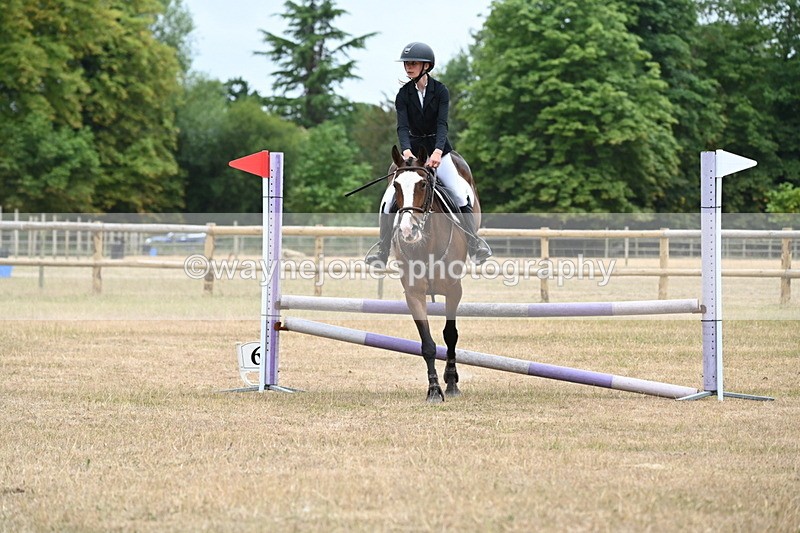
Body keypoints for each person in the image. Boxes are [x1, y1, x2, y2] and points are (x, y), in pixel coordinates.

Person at [365, 42, 492, 267]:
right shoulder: (403, 95)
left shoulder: (440, 91)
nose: (408, 67)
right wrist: (406, 152)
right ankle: (383, 250)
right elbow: (402, 127)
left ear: (426, 66)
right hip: (410, 155)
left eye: (413, 63)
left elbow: (442, 125)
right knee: (387, 202)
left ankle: (474, 245)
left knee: (461, 194)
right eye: (406, 63)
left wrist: (437, 152)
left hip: (439, 154)